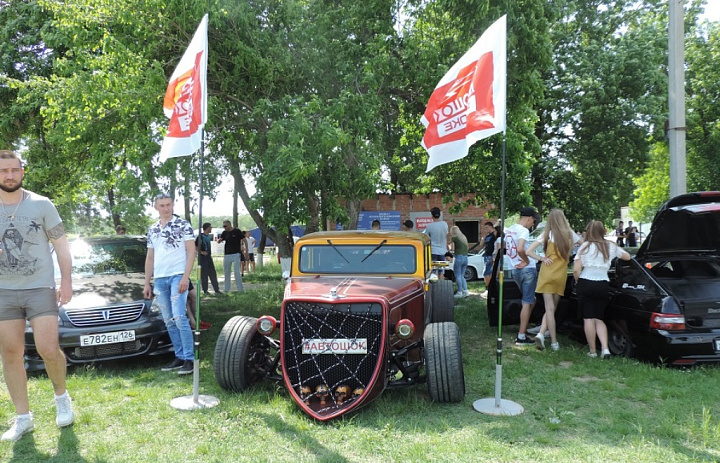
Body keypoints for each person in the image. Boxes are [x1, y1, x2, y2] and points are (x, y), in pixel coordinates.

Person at [0, 150, 75, 441]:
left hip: (40, 287)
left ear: (22, 171)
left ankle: (61, 397)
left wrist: (66, 280)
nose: (9, 176)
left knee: (47, 347)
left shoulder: (42, 204)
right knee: (10, 354)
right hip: (4, 292)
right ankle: (23, 418)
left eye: (14, 170)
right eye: (3, 170)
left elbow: (61, 244)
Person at [143, 193, 196, 375]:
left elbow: (191, 252)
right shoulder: (152, 229)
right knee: (168, 319)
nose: (166, 208)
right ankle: (180, 355)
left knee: (179, 317)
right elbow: (150, 257)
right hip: (160, 278)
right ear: (156, 207)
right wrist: (146, 283)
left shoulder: (183, 225)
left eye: (169, 205)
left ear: (173, 205)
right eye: (162, 205)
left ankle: (190, 358)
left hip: (177, 275)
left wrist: (185, 278)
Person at [573, 221, 631, 358]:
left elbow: (576, 270)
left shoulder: (584, 247)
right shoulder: (610, 246)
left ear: (589, 231)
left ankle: (592, 351)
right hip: (603, 284)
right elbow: (627, 257)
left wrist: (578, 282)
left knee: (588, 319)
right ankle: (605, 349)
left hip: (586, 282)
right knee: (599, 318)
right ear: (603, 231)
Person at [526, 209, 580, 351]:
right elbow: (583, 244)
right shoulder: (569, 234)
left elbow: (528, 251)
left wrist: (542, 258)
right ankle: (543, 334)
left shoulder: (547, 234)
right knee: (552, 308)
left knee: (549, 308)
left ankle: (552, 340)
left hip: (547, 272)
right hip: (560, 274)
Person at [505, 207, 541, 346]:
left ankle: (524, 327)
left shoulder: (510, 229)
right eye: (533, 220)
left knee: (531, 300)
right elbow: (520, 248)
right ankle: (521, 336)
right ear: (529, 218)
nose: (533, 224)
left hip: (515, 270)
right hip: (527, 269)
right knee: (527, 301)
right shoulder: (523, 231)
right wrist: (526, 261)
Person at [217, 220, 244, 292]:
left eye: (225, 226)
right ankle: (226, 289)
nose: (224, 227)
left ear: (229, 225)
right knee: (226, 272)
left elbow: (244, 239)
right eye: (223, 226)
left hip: (236, 253)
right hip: (227, 254)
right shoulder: (224, 233)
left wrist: (246, 250)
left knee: (236, 272)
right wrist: (219, 240)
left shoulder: (237, 231)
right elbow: (220, 239)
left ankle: (240, 289)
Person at [423, 207, 449, 279]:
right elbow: (446, 233)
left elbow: (426, 237)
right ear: (440, 215)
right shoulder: (444, 224)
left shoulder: (430, 226)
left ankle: (435, 287)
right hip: (443, 251)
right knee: (441, 271)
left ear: (432, 216)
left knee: (434, 272)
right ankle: (441, 287)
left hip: (433, 251)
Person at [196, 222, 221, 295]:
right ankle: (205, 290)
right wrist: (202, 252)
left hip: (209, 257)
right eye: (210, 227)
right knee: (204, 274)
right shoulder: (201, 236)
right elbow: (195, 246)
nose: (211, 229)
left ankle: (216, 290)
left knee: (213, 273)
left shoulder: (208, 236)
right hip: (203, 259)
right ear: (207, 228)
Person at [450, 226, 469, 298]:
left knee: (457, 275)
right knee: (462, 275)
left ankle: (460, 292)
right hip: (465, 257)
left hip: (459, 257)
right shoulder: (463, 237)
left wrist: (449, 248)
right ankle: (466, 291)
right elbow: (467, 247)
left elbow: (452, 248)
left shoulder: (454, 238)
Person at [481, 221, 498, 297]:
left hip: (491, 255)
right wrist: (483, 238)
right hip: (486, 255)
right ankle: (489, 287)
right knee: (488, 273)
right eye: (485, 228)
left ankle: (489, 288)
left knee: (486, 273)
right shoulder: (487, 236)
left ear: (491, 227)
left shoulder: (495, 234)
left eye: (487, 227)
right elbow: (481, 245)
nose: (486, 229)